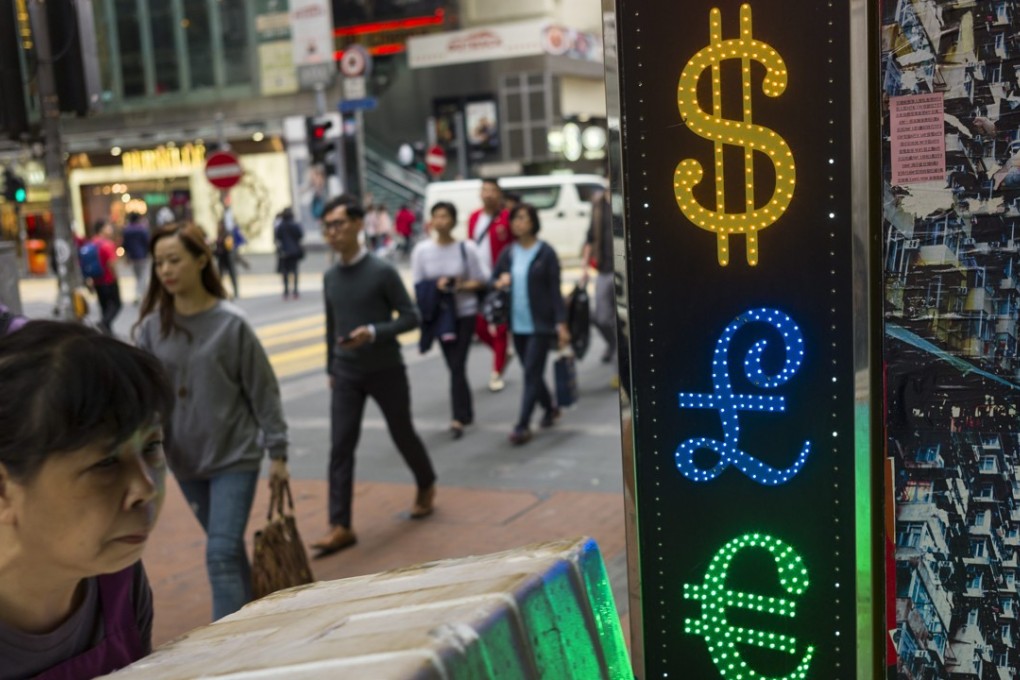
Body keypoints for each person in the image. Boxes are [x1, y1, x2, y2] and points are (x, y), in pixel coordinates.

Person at [133, 222, 290, 621]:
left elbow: (263, 390)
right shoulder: (151, 329)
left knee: (219, 553)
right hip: (185, 460)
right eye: (159, 263)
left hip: (234, 455)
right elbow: (142, 397)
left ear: (202, 259)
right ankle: (252, 624)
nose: (165, 270)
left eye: (174, 260)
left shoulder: (230, 323)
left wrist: (279, 453)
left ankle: (227, 653)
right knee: (229, 549)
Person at [0, 320, 173, 678]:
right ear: (4, 489)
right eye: (106, 462)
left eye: (151, 447)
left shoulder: (119, 580)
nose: (145, 488)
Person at [313, 195, 437, 556]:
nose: (332, 233)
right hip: (346, 372)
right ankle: (340, 525)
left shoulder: (381, 271)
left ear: (357, 224)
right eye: (327, 227)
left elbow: (411, 317)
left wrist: (374, 331)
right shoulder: (330, 277)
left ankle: (426, 482)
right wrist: (330, 367)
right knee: (340, 446)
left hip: (386, 369)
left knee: (402, 432)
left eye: (338, 224)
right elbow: (330, 325)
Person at [492, 204, 570, 445]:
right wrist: (500, 281)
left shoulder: (545, 253)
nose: (518, 223)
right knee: (531, 372)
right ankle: (550, 408)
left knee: (531, 374)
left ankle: (522, 424)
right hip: (518, 324)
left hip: (541, 324)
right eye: (515, 219)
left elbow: (555, 291)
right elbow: (493, 279)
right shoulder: (509, 253)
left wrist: (561, 323)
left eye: (523, 218)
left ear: (534, 222)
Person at [411, 202, 488, 439]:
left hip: (464, 312)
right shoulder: (422, 251)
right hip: (440, 315)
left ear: (454, 221)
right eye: (436, 216)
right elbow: (418, 285)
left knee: (457, 363)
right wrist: (437, 286)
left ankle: (457, 417)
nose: (440, 221)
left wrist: (460, 285)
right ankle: (466, 411)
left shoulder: (467, 248)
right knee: (454, 365)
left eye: (445, 216)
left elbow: (483, 279)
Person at [468, 178, 514, 392]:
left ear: (499, 194)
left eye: (492, 190)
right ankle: (503, 354)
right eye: (484, 190)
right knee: (478, 325)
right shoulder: (474, 218)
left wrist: (507, 274)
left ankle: (496, 372)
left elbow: (514, 248)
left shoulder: (507, 218)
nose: (487, 194)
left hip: (500, 280)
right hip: (479, 281)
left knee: (500, 326)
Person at [581, 188, 619, 378]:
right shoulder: (598, 205)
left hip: (623, 270)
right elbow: (590, 236)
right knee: (601, 317)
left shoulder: (624, 199)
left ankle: (618, 367)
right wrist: (584, 266)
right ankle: (614, 344)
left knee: (623, 320)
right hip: (604, 269)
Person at [89, 219, 122, 335]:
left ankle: (107, 331)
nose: (111, 229)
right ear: (102, 229)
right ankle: (103, 324)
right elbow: (111, 263)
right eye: (108, 227)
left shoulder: (92, 242)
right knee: (116, 305)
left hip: (97, 280)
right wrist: (116, 278)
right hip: (109, 280)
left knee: (104, 307)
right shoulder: (107, 244)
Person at [274, 207, 305, 300]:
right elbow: (300, 235)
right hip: (294, 251)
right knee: (294, 271)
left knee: (285, 272)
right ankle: (295, 291)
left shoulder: (281, 225)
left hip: (284, 252)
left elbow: (277, 237)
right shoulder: (295, 224)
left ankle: (286, 291)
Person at [121, 212, 151, 305]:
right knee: (142, 276)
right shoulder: (142, 229)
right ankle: (141, 295)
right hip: (142, 256)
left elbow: (125, 244)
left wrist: (127, 256)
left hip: (132, 257)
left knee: (138, 276)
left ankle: (141, 294)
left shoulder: (126, 230)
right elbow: (147, 241)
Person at [214, 219, 241, 300]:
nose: (218, 227)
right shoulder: (220, 234)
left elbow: (229, 246)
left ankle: (236, 291)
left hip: (228, 257)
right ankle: (219, 291)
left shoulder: (227, 234)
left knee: (232, 275)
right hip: (221, 258)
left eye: (220, 225)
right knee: (220, 276)